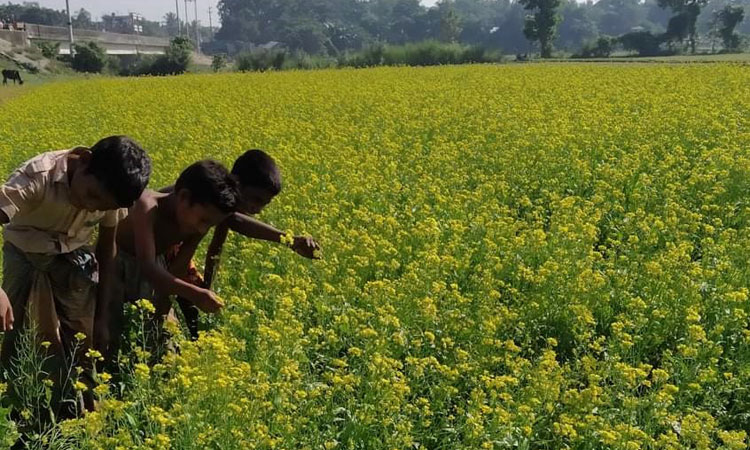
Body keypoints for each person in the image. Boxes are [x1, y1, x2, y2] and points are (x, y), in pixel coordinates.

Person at [0, 136, 151, 416]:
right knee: (18, 336)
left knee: (82, 344)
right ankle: (18, 409)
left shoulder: (109, 195)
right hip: (24, 257)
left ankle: (77, 413)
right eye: (92, 196)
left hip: (73, 262)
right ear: (84, 161)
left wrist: (102, 317)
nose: (91, 208)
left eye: (101, 207)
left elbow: (107, 248)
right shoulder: (37, 177)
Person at [95, 160, 238, 362]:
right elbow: (148, 268)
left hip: (158, 272)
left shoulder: (194, 225)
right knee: (108, 333)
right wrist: (194, 293)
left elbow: (177, 268)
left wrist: (163, 309)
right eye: (203, 220)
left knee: (165, 341)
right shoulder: (147, 205)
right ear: (184, 197)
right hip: (115, 265)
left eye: (210, 225)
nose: (203, 229)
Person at [172, 150, 320, 340]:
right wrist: (290, 240)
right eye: (256, 200)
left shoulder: (223, 208)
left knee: (194, 305)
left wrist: (207, 285)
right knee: (177, 301)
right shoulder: (213, 198)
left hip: (176, 252)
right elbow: (237, 221)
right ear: (236, 183)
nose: (257, 209)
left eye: (264, 204)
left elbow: (216, 247)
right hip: (157, 249)